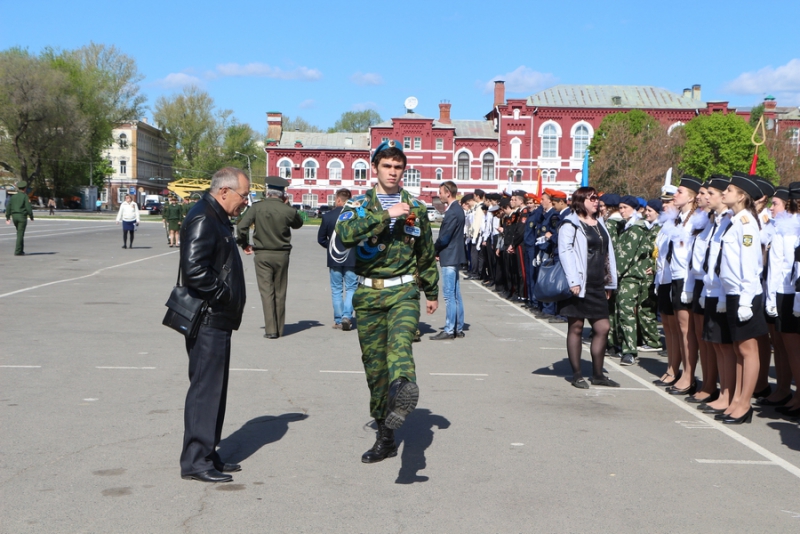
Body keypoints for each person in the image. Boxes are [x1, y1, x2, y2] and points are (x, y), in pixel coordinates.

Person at [336, 139, 439, 464]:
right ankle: (386, 435)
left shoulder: (417, 208)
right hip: (368, 293)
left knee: (400, 345)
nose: (393, 172)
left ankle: (403, 391)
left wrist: (432, 291)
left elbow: (425, 252)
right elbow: (344, 235)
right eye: (387, 166)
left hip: (404, 290)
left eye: (398, 167)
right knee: (375, 368)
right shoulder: (359, 205)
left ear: (403, 170)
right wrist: (385, 215)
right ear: (375, 168)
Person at [179, 166, 249, 483]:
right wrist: (224, 294)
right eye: (243, 195)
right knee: (205, 391)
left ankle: (208, 452)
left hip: (217, 318)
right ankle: (195, 461)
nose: (245, 202)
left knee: (215, 390)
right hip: (208, 318)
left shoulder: (216, 216)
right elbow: (194, 270)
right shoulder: (203, 217)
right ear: (224, 191)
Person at [715, 173, 769, 424]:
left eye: (728, 190)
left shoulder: (746, 223)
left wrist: (746, 300)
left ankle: (745, 403)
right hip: (734, 292)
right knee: (738, 349)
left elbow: (750, 266)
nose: (723, 193)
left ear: (741, 196)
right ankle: (737, 399)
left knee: (748, 350)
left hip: (746, 294)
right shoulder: (735, 220)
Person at [558, 186, 619, 389]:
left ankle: (598, 374)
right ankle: (577, 374)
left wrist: (610, 281)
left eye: (597, 198)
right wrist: (573, 280)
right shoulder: (571, 223)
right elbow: (565, 252)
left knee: (603, 327)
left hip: (597, 283)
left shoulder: (599, 222)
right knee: (575, 327)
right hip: (579, 283)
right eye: (591, 198)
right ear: (580, 201)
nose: (596, 201)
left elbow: (607, 253)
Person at [236, 176, 303, 339]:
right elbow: (298, 223)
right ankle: (280, 329)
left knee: (267, 291)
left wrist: (244, 244)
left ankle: (271, 329)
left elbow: (241, 227)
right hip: (282, 254)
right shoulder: (287, 210)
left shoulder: (257, 207)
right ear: (282, 194)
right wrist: (287, 205)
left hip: (262, 254)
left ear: (267, 192)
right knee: (280, 291)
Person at [318, 188, 357, 331]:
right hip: (352, 257)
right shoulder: (355, 216)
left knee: (336, 289)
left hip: (334, 258)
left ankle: (338, 319)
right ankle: (347, 316)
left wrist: (330, 247)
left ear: (338, 199)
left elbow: (320, 239)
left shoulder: (328, 216)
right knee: (352, 287)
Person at [431, 180, 466, 340]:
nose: (439, 195)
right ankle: (457, 327)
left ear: (448, 193)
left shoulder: (452, 211)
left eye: (440, 192)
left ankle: (449, 328)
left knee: (449, 295)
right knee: (455, 293)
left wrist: (435, 249)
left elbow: (445, 237)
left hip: (450, 255)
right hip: (454, 254)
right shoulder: (457, 209)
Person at [5, 181, 34, 256]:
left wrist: (8, 217)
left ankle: (21, 250)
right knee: (20, 234)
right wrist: (31, 216)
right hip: (22, 217)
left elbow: (9, 207)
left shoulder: (13, 197)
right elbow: (28, 207)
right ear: (25, 189)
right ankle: (18, 251)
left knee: (19, 233)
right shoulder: (25, 196)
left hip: (14, 217)